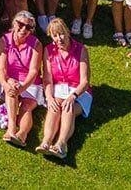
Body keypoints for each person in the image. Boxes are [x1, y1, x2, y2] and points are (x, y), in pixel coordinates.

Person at [36, 18, 91, 160]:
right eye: (55, 36)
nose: (59, 39)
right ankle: (46, 142)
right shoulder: (49, 50)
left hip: (79, 91)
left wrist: (73, 96)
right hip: (58, 89)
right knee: (54, 107)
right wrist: (49, 97)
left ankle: (61, 144)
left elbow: (85, 81)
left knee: (68, 107)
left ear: (67, 32)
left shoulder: (81, 49)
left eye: (61, 34)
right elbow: (47, 79)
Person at [0, 11, 45, 148]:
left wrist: (22, 88)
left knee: (27, 106)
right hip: (10, 80)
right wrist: (5, 84)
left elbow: (34, 71)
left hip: (30, 82)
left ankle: (22, 134)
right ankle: (11, 128)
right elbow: (1, 68)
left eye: (28, 27)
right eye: (21, 24)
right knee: (12, 88)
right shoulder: (4, 41)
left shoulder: (36, 44)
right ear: (14, 24)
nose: (24, 29)